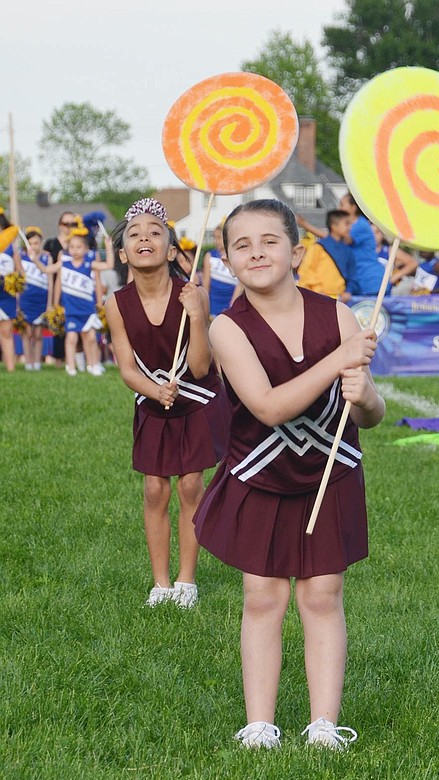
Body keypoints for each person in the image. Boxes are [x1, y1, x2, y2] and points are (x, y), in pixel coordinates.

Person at [193, 199, 385, 749]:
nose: (257, 252)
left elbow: (370, 415)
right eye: (242, 245)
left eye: (270, 241)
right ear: (227, 260)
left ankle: (324, 723)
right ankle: (260, 722)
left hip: (331, 471)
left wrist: (368, 394)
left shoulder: (339, 316)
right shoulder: (228, 329)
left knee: (324, 593)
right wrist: (338, 361)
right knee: (262, 595)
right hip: (263, 476)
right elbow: (270, 407)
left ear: (297, 252)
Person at [106, 198, 230, 608]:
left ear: (172, 251)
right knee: (155, 490)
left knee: (191, 485)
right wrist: (152, 389)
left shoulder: (192, 294)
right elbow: (126, 368)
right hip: (153, 399)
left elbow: (199, 367)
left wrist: (197, 316)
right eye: (135, 233)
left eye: (155, 232)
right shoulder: (115, 303)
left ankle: (186, 582)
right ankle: (160, 585)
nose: (145, 237)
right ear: (123, 252)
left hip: (196, 399)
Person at [53, 225, 114, 376]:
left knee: (91, 337)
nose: (75, 250)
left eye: (79, 247)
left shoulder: (89, 262)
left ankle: (93, 364)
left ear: (86, 249)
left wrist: (108, 248)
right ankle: (71, 367)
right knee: (72, 337)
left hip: (87, 308)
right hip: (71, 309)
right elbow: (51, 274)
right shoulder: (64, 262)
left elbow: (108, 265)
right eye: (72, 246)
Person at [299, 193, 385, 296]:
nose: (339, 207)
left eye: (342, 204)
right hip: (359, 281)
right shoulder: (322, 247)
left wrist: (306, 225)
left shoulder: (360, 225)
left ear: (353, 208)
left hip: (369, 280)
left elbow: (334, 238)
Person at [19, 227, 58, 370]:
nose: (34, 246)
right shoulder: (21, 257)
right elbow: (18, 280)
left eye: (36, 243)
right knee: (26, 332)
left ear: (41, 243)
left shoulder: (46, 257)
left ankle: (37, 362)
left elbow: (50, 281)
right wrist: (18, 302)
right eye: (31, 243)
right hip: (25, 299)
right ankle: (28, 362)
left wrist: (50, 302)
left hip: (41, 299)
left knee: (38, 333)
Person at [43, 212, 79, 367]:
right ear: (59, 225)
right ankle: (58, 360)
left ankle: (78, 360)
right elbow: (47, 269)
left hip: (76, 291)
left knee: (78, 326)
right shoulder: (51, 244)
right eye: (66, 224)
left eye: (73, 224)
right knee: (59, 326)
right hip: (57, 287)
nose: (69, 227)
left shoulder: (81, 244)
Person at [296, 209, 356, 299]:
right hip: (316, 297)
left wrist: (348, 291)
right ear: (334, 226)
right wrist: (318, 291)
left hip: (339, 299)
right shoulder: (318, 247)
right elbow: (306, 271)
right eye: (346, 224)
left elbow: (352, 275)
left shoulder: (348, 250)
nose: (350, 228)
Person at [0, 208, 21, 372]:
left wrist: (16, 283)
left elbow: (20, 272)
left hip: (6, 294)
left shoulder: (11, 246)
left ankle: (11, 368)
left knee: (6, 332)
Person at [370, 223, 417, 295]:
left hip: (386, 292)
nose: (374, 236)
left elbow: (413, 263)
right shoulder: (361, 251)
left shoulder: (390, 250)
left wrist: (394, 277)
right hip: (367, 291)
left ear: (383, 234)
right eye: (370, 232)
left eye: (377, 232)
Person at [202, 224, 238, 317]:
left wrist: (232, 306)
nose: (217, 241)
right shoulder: (209, 256)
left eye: (219, 238)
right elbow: (206, 283)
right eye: (215, 238)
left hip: (230, 303)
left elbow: (240, 285)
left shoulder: (236, 258)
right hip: (213, 304)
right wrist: (205, 305)